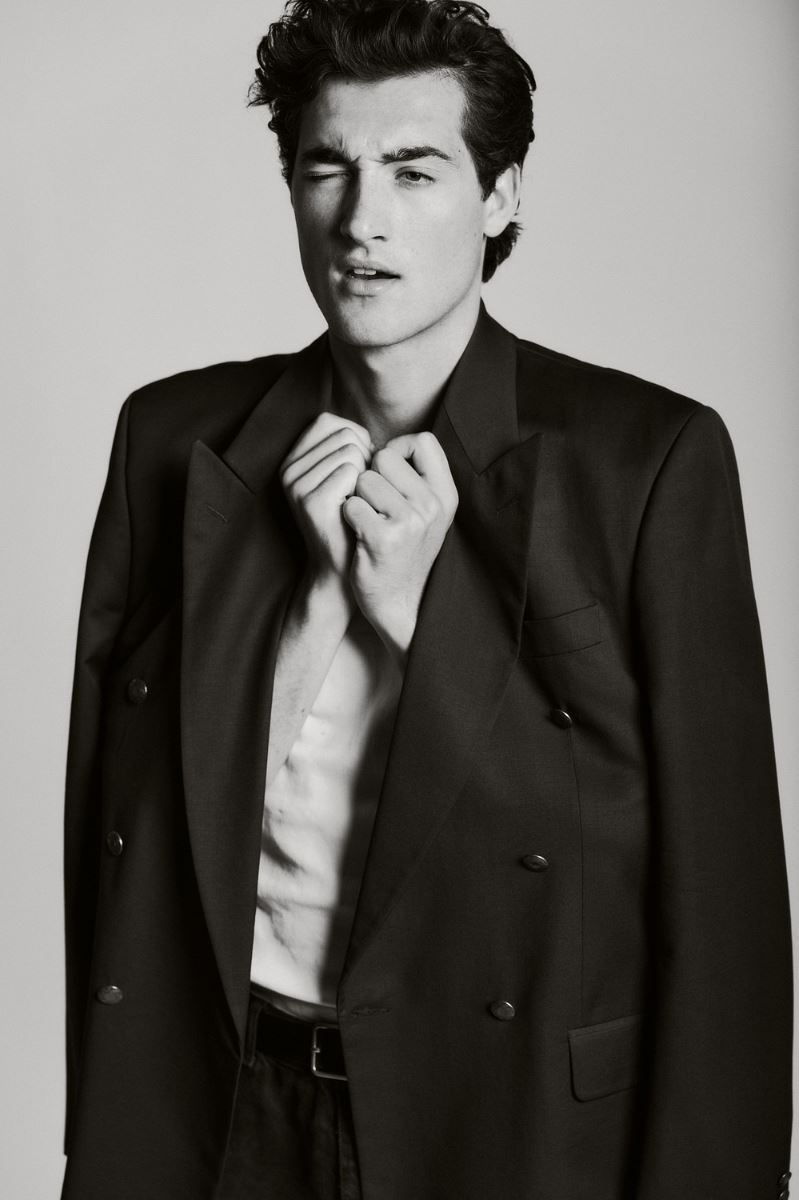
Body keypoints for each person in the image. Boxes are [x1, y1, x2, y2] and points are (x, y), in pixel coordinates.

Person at [61, 1, 793, 1197]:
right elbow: (120, 824)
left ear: (499, 195)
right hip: (225, 1113)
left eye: (413, 171)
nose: (363, 221)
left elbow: (717, 898)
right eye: (328, 169)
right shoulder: (175, 438)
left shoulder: (645, 463)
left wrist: (418, 619)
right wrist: (311, 602)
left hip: (502, 1127)